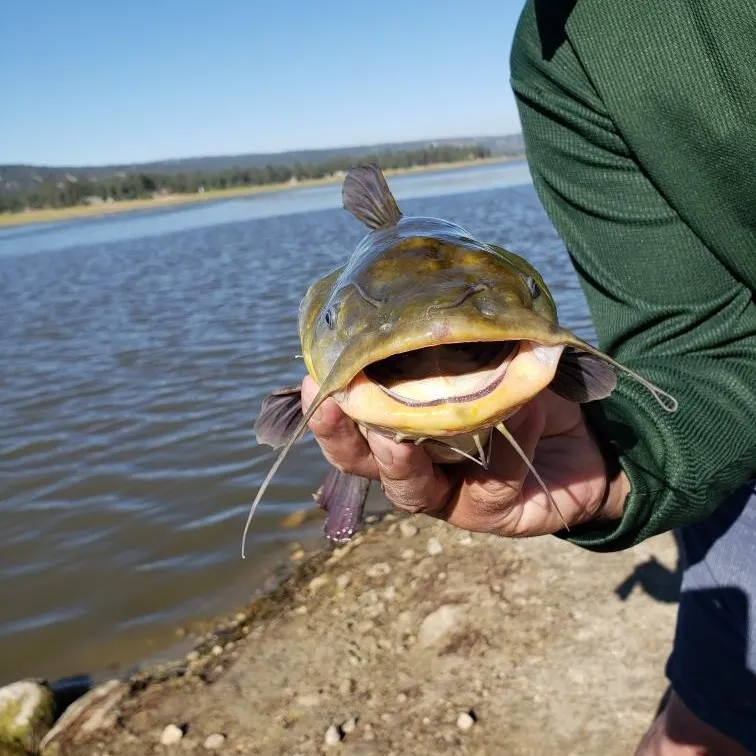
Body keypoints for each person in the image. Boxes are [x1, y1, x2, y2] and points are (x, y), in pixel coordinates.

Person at [302, 1, 756, 753]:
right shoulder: (558, 53)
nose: (442, 343)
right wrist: (623, 471)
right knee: (699, 726)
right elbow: (700, 339)